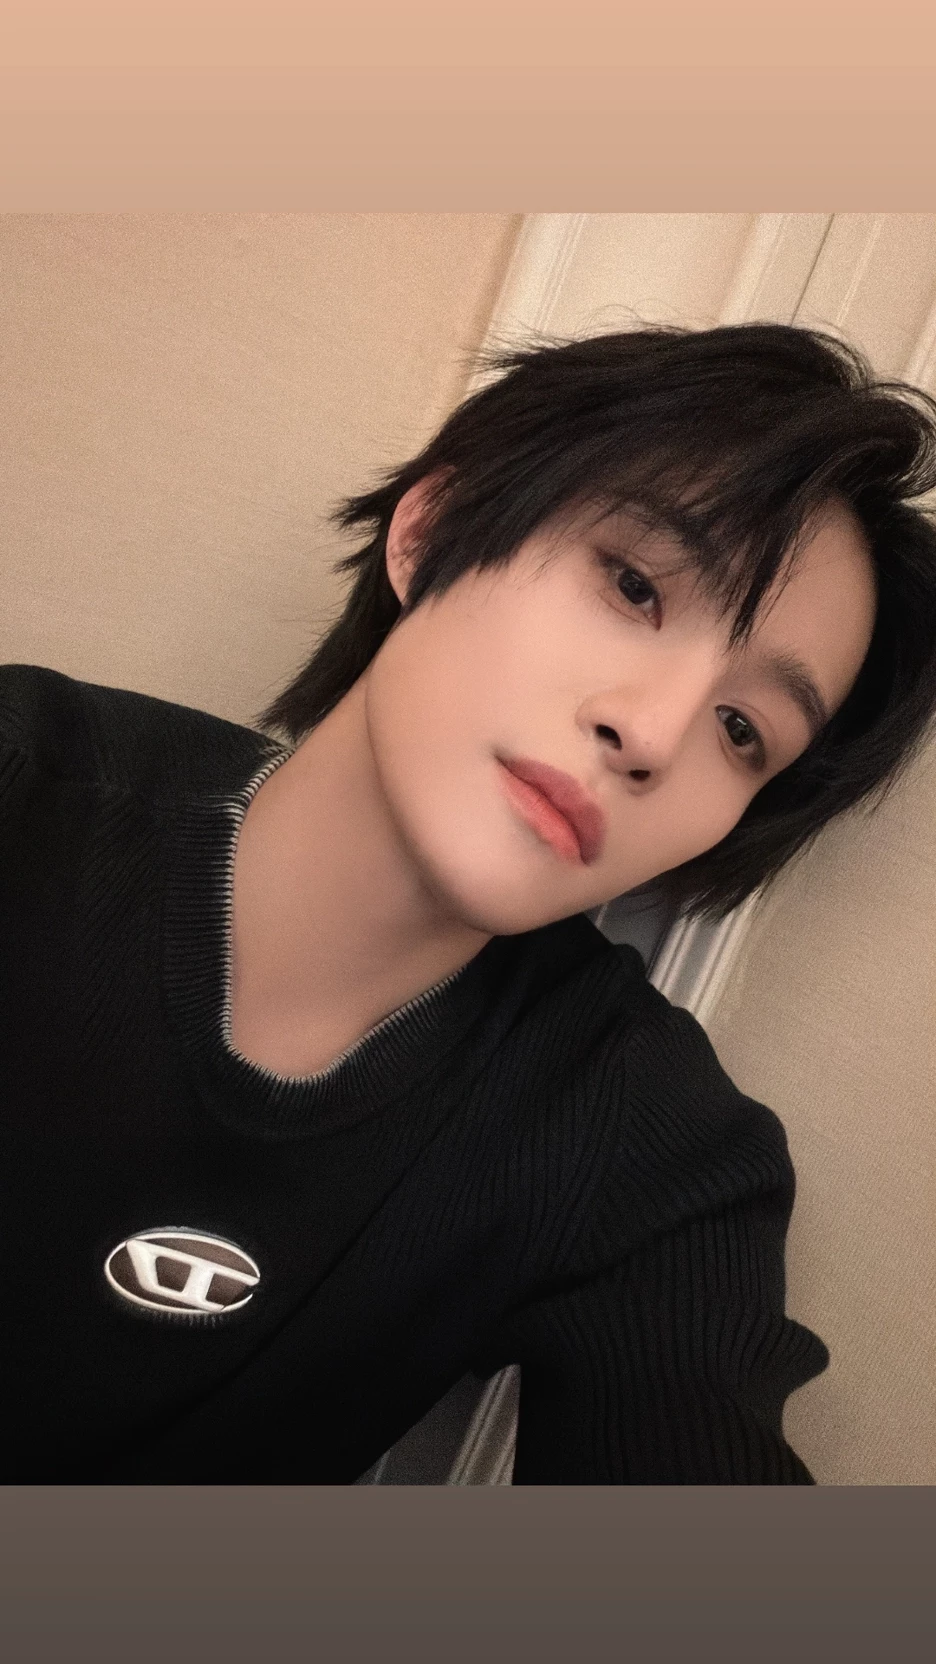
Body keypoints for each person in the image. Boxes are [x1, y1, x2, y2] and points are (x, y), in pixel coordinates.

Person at [3, 322, 936, 1483]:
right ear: (433, 527)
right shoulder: (22, 785)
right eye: (634, 584)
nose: (651, 732)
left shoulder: (643, 1135)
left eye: (744, 729)